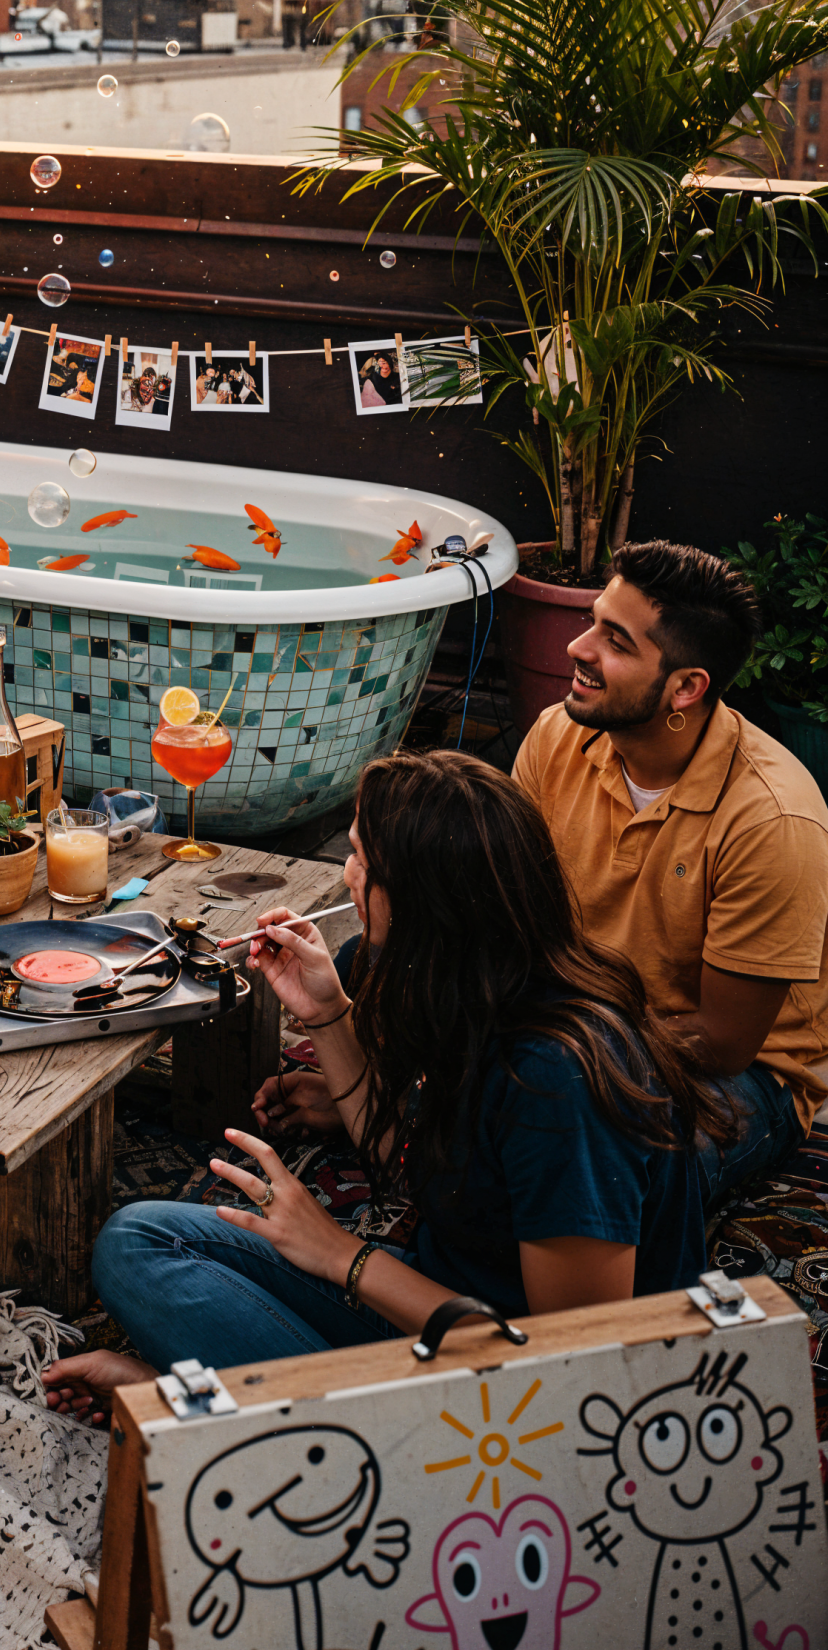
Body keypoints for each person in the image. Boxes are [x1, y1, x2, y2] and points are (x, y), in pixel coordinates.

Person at [44, 746, 720, 1407]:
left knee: (178, 1257)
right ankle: (232, 1398)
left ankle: (199, 1407)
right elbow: (414, 1163)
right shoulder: (470, 994)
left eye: (362, 859)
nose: (345, 876)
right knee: (139, 1241)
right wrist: (325, 1012)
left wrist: (343, 1255)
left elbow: (571, 1360)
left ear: (427, 904)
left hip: (522, 1402)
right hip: (443, 1312)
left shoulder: (558, 1080)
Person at [514, 538, 828, 1206]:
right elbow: (505, 910)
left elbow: (724, 1042)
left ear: (686, 687)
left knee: (600, 1174)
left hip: (739, 1076)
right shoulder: (554, 736)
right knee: (369, 954)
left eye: (616, 641)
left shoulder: (774, 818)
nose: (578, 648)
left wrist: (548, 1050)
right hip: (573, 1011)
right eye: (591, 621)